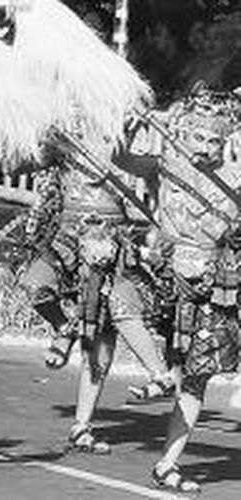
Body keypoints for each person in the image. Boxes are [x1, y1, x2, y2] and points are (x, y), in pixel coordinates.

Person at [126, 85, 241, 494]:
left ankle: (167, 463)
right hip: (164, 280)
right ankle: (157, 375)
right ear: (185, 133)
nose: (206, 146)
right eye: (199, 137)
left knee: (196, 377)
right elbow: (120, 159)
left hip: (211, 288)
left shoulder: (236, 178)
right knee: (118, 298)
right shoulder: (166, 164)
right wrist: (128, 124)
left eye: (215, 139)